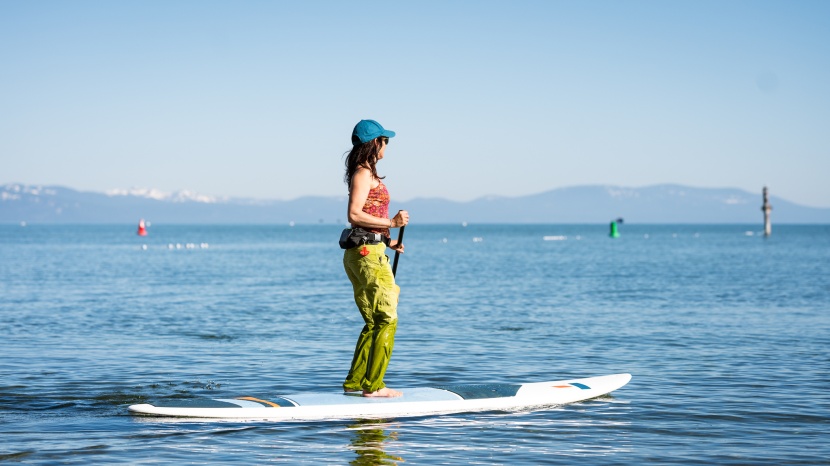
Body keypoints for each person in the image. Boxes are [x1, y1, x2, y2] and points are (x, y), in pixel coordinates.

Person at [342, 119, 409, 398]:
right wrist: (392, 222)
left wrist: (386, 239)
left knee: (373, 321)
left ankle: (356, 383)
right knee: (387, 318)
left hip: (368, 250)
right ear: (374, 143)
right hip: (368, 257)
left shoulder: (368, 173)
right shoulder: (362, 174)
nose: (387, 146)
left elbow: (366, 222)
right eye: (385, 141)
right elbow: (354, 214)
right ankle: (374, 386)